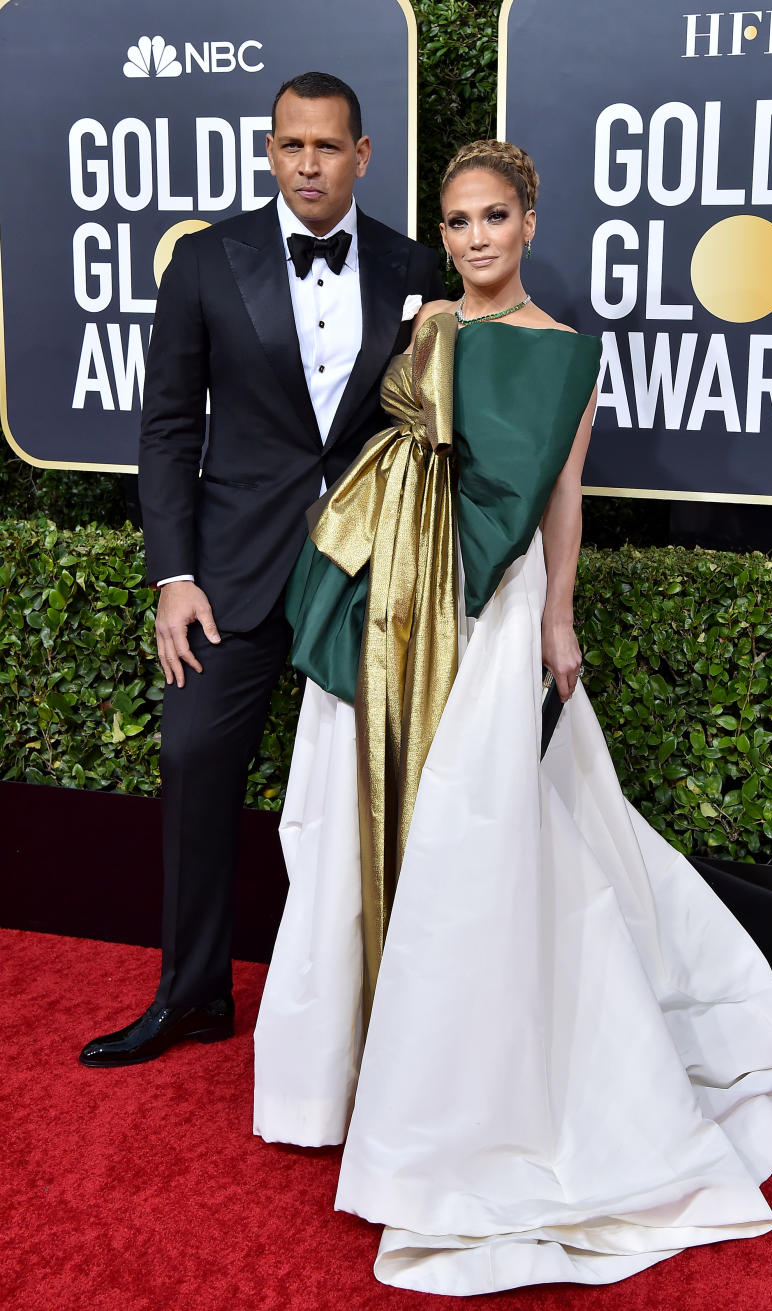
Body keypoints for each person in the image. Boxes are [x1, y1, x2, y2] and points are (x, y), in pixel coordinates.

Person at [252, 140, 772, 1295]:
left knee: (482, 833)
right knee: (366, 815)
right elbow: (384, 458)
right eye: (457, 221)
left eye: (494, 218)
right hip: (392, 602)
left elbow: (561, 496)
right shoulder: (421, 327)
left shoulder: (567, 357)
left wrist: (558, 617)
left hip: (492, 609)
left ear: (529, 219)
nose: (474, 240)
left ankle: (466, 1085)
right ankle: (353, 1068)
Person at [79, 72, 445, 1069]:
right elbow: (165, 430)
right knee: (195, 759)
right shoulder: (205, 261)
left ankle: (392, 1014)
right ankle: (192, 994)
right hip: (233, 570)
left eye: (328, 147)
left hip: (365, 573)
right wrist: (173, 575)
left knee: (389, 788)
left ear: (363, 156)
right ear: (271, 150)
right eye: (292, 146)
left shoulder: (417, 267)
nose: (309, 165)